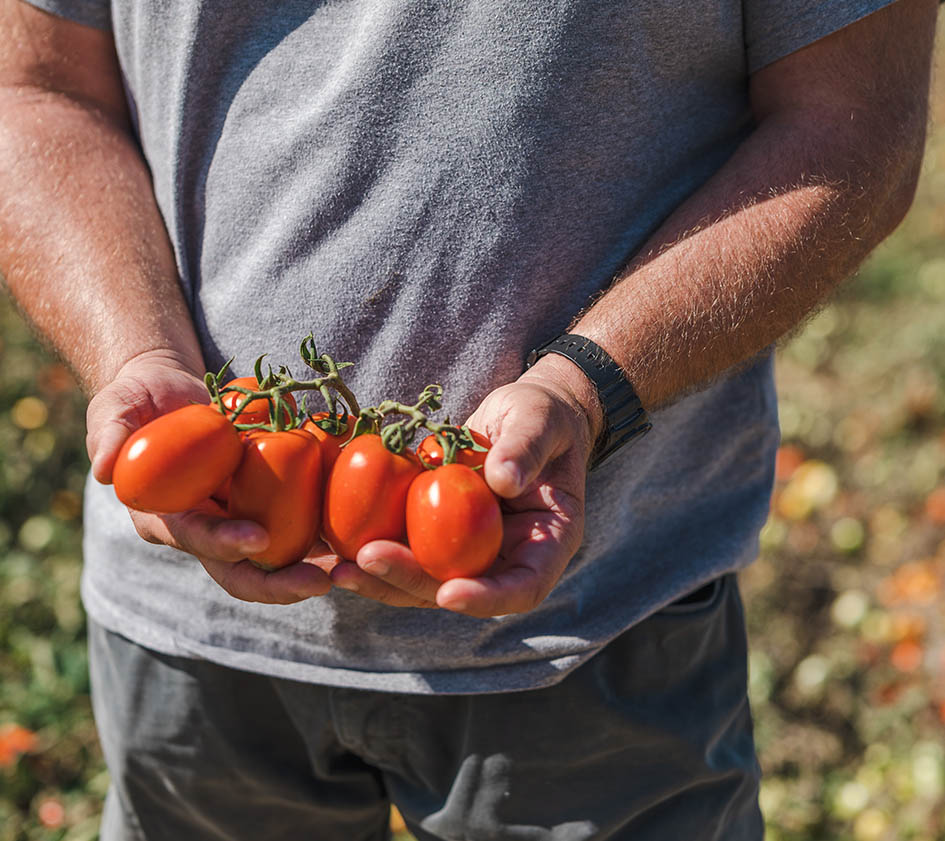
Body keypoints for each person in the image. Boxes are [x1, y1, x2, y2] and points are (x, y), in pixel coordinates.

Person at [0, 0, 938, 838]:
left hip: (597, 627)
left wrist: (588, 388)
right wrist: (137, 358)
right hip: (187, 647)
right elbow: (35, 91)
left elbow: (852, 123)